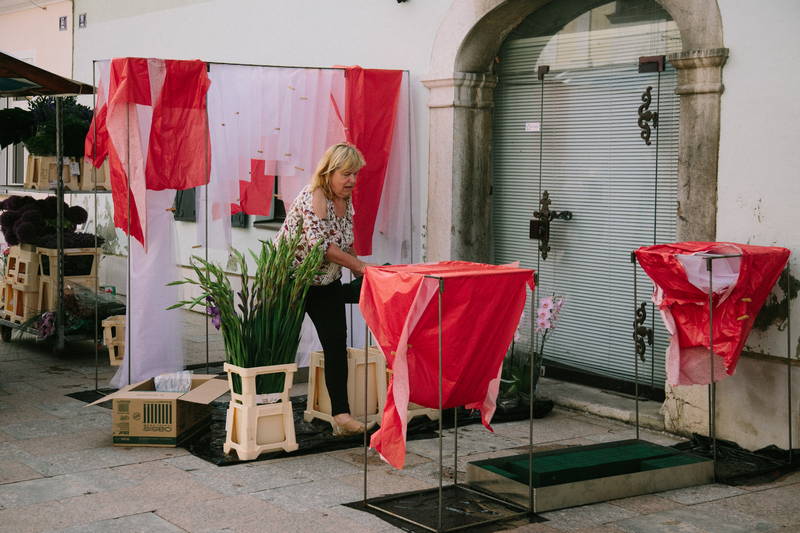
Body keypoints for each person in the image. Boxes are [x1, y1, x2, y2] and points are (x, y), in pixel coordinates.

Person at [275, 142, 373, 437]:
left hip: (326, 282)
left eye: (355, 174)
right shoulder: (315, 195)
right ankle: (271, 409)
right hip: (292, 281)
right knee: (282, 346)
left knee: (336, 345)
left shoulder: (346, 200)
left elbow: (346, 242)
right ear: (329, 172)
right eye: (346, 174)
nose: (352, 180)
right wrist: (360, 267)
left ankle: (341, 415)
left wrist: (362, 269)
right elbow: (323, 247)